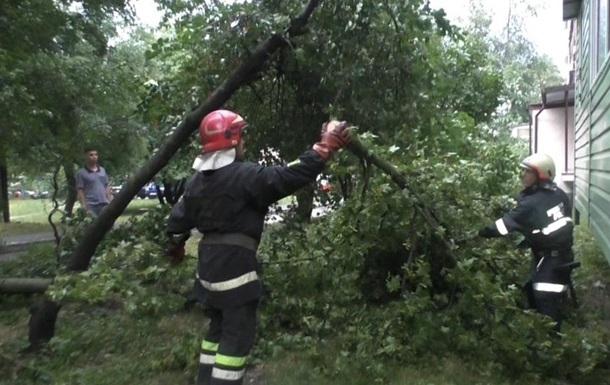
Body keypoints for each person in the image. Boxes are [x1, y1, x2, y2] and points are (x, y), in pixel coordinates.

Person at [164, 109, 351, 385]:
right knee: (235, 340)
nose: (245, 142)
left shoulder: (195, 183)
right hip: (235, 274)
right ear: (232, 141)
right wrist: (323, 149)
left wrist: (175, 246)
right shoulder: (245, 176)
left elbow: (176, 222)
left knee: (216, 330)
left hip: (208, 274)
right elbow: (288, 176)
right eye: (242, 137)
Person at [478, 153, 575, 330]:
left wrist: (480, 232)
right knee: (531, 289)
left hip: (551, 260)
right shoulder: (558, 194)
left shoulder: (531, 204)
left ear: (541, 175)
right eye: (523, 171)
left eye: (528, 172)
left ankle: (552, 343)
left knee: (545, 301)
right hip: (560, 255)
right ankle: (550, 324)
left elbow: (502, 226)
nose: (523, 175)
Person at [75, 146, 112, 216]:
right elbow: (80, 191)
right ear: (86, 156)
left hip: (104, 204)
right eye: (91, 155)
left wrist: (110, 201)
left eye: (96, 154)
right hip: (91, 206)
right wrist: (84, 206)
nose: (94, 157)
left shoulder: (102, 170)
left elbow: (106, 186)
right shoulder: (81, 173)